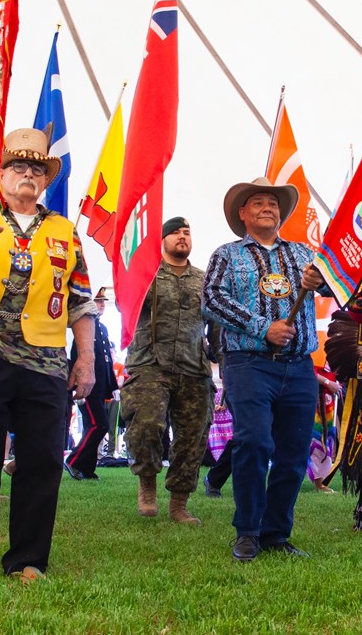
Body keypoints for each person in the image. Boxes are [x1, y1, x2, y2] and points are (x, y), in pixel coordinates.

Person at [0, 128, 96, 580]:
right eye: (18, 167)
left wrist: (84, 360)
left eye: (36, 169)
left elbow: (80, 301)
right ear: (0, 174)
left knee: (42, 459)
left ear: (45, 179)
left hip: (45, 361)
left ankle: (27, 558)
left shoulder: (66, 232)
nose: (28, 175)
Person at [201, 176, 325, 562]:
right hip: (248, 363)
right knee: (254, 442)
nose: (266, 207)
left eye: (272, 202)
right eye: (257, 202)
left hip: (299, 366)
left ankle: (276, 534)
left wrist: (322, 281)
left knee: (293, 452)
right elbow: (210, 299)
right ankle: (248, 531)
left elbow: (340, 288)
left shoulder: (306, 255)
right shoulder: (227, 254)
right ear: (243, 213)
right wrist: (262, 327)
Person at [121, 216, 213, 523]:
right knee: (146, 425)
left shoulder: (204, 278)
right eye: (175, 233)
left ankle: (179, 503)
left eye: (187, 232)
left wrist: (221, 363)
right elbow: (127, 303)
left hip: (193, 365)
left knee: (192, 436)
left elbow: (218, 323)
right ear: (161, 240)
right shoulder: (145, 274)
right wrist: (138, 270)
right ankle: (147, 482)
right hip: (150, 363)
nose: (182, 237)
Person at [65, 287, 116, 482]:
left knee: (92, 425)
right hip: (87, 385)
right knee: (98, 425)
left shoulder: (101, 327)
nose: (102, 304)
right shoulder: (83, 326)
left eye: (103, 301)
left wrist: (112, 386)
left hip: (100, 385)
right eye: (98, 301)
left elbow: (106, 360)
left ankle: (87, 468)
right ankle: (74, 461)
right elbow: (76, 355)